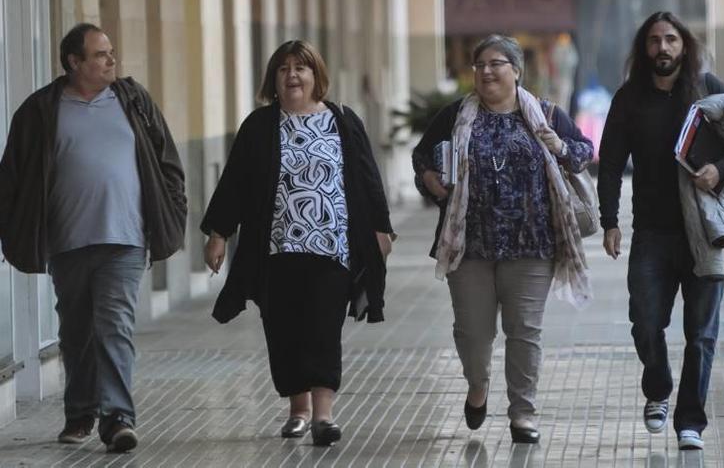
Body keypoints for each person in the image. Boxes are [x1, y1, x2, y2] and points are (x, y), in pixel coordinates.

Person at [0, 23, 187, 453]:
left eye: (111, 52)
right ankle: (81, 411)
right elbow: (12, 177)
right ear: (74, 62)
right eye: (100, 54)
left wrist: (173, 207)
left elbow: (167, 160)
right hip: (67, 241)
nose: (111, 60)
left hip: (125, 237)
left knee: (114, 325)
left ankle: (118, 416)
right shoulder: (40, 110)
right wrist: (14, 231)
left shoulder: (132, 101)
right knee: (77, 329)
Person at [201, 40, 394, 447]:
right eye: (284, 68)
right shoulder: (260, 125)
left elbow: (366, 177)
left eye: (301, 68)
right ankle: (298, 410)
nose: (292, 75)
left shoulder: (342, 120)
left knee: (324, 327)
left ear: (315, 75)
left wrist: (380, 229)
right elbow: (234, 183)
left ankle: (324, 415)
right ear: (274, 78)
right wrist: (219, 233)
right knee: (284, 328)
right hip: (276, 248)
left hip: (332, 245)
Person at [412, 34, 593, 444]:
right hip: (469, 245)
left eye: (496, 63)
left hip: (532, 245)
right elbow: (422, 157)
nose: (487, 71)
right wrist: (430, 181)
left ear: (516, 71)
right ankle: (478, 385)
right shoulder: (455, 114)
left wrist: (561, 146)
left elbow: (583, 152)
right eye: (480, 65)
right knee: (473, 334)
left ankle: (523, 412)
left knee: (524, 330)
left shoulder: (545, 113)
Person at [597, 11, 724, 450]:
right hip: (651, 233)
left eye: (671, 39)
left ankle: (691, 421)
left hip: (706, 233)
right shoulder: (629, 98)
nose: (662, 48)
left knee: (701, 334)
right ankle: (658, 388)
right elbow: (610, 163)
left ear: (683, 46)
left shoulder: (708, 90)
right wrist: (609, 221)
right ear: (643, 48)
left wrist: (719, 170)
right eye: (654, 40)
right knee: (646, 324)